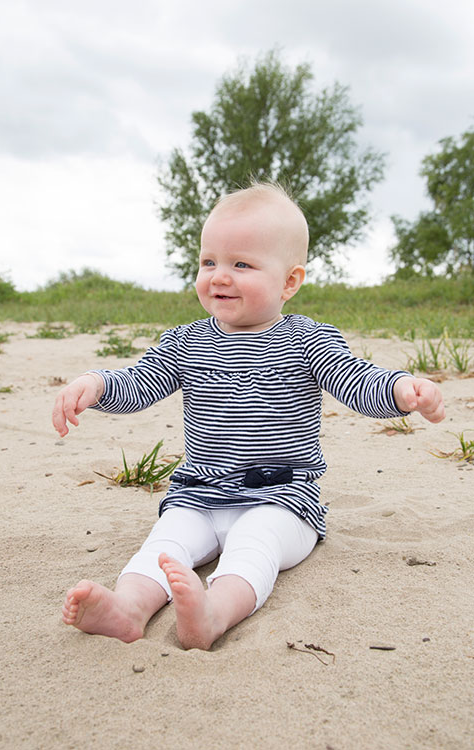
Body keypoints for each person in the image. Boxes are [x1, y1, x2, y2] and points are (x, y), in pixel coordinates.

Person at [53, 182, 445, 651]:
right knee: (165, 541)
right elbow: (140, 383)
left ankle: (215, 612)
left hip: (281, 499)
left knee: (254, 544)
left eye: (241, 264)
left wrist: (401, 390)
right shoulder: (185, 342)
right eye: (208, 262)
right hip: (200, 492)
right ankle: (128, 608)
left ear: (289, 281)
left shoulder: (308, 340)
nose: (219, 276)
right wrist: (97, 384)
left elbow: (354, 379)